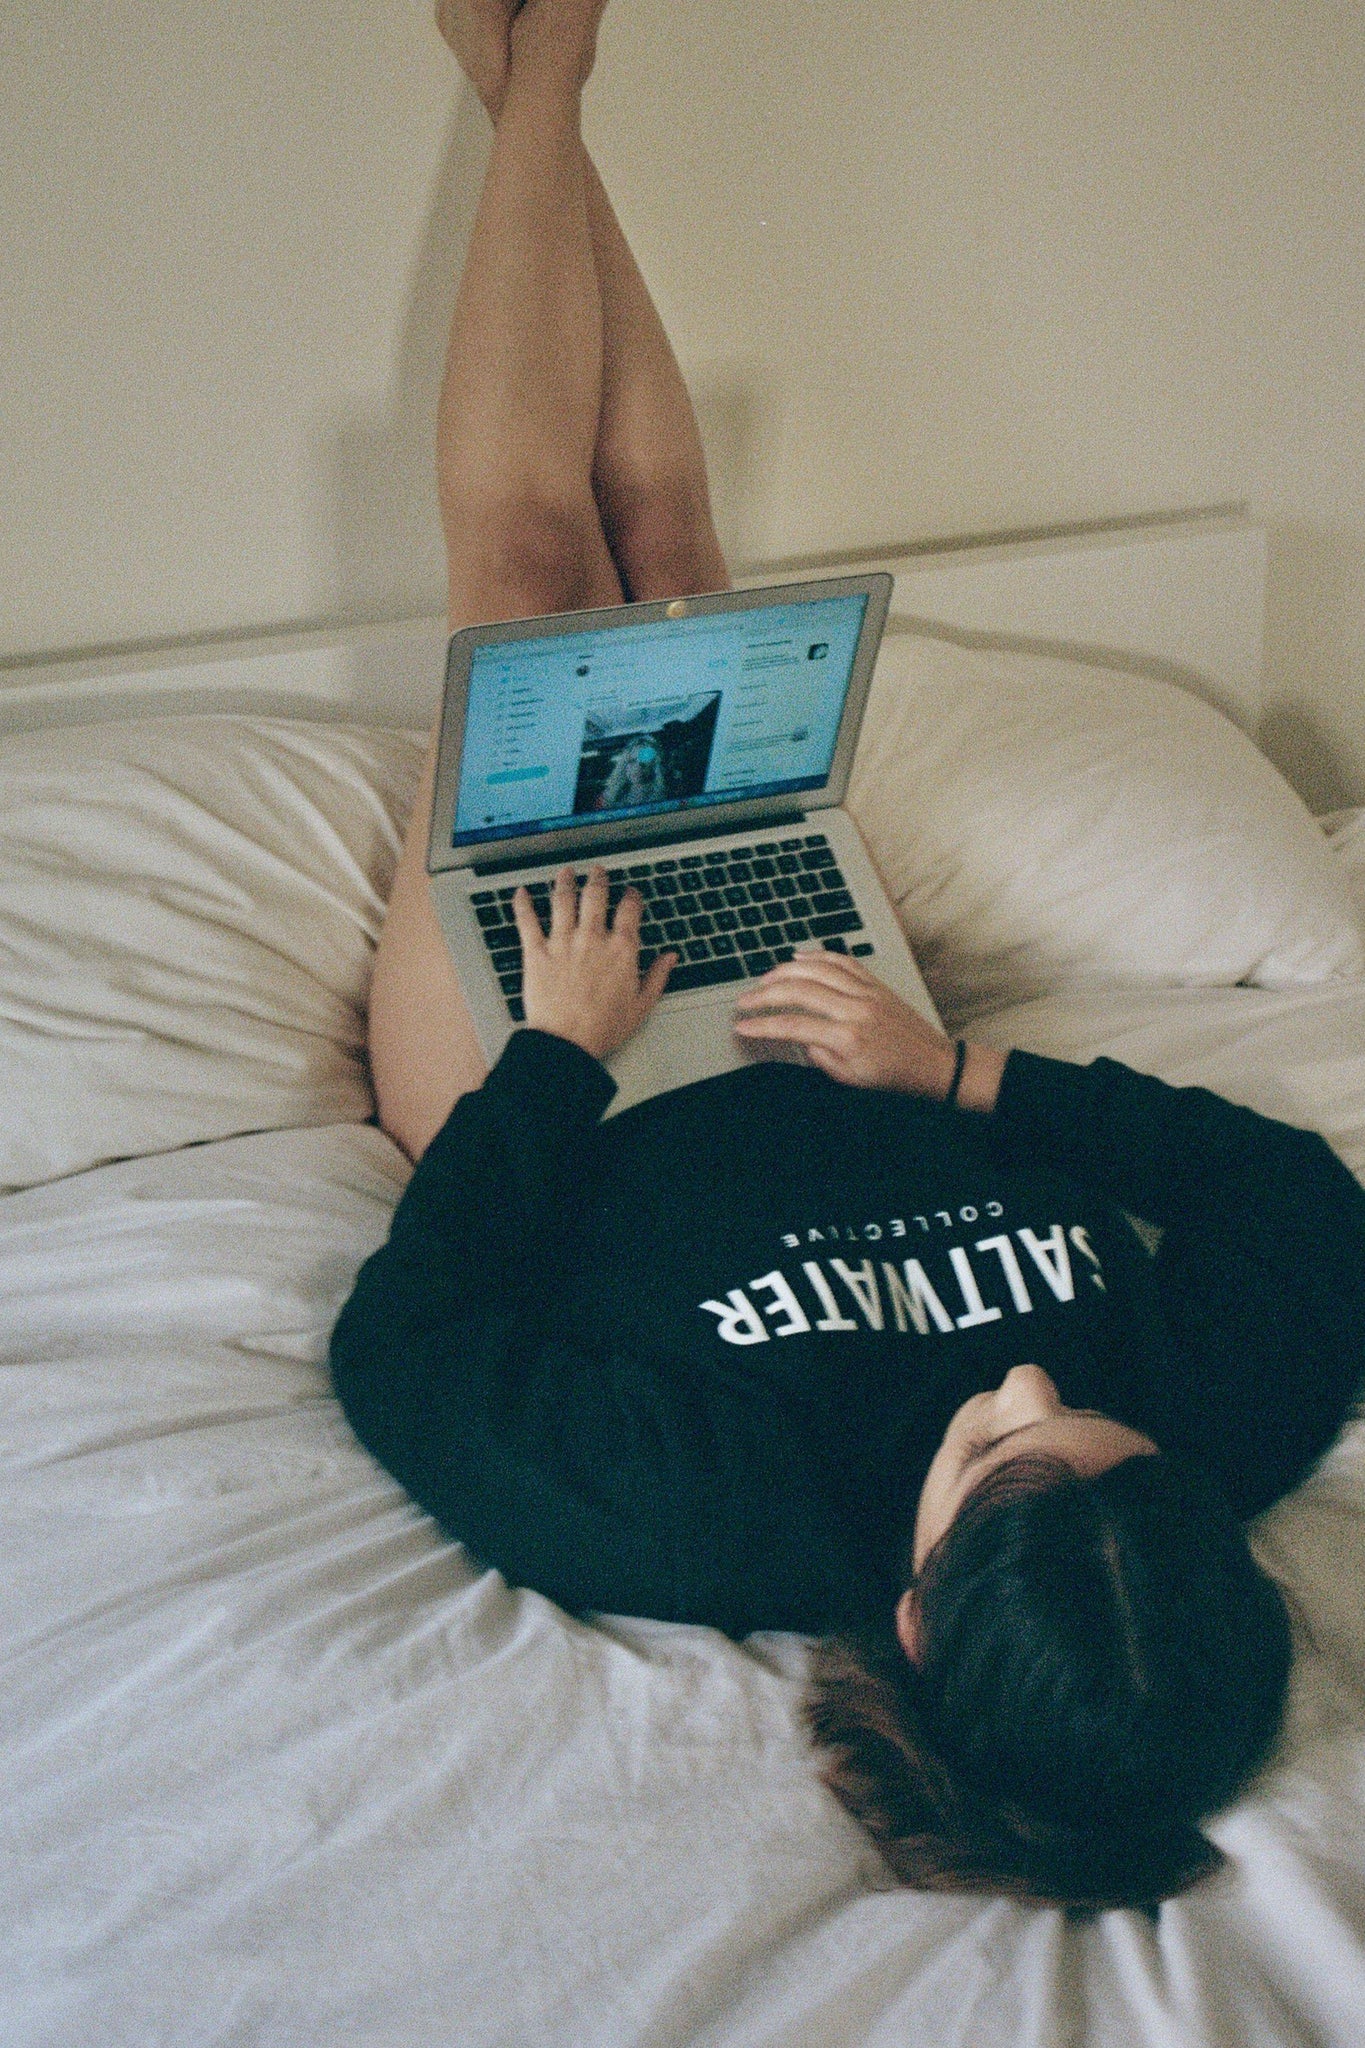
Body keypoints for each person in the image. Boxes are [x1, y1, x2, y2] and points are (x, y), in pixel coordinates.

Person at [332, 0, 1365, 1913]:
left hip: (555, 1062)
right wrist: (960, 1075)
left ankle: (536, 73)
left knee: (528, 582)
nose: (1038, 1386)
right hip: (846, 1016)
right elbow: (1289, 1191)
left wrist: (554, 1056)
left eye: (998, 1452)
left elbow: (412, 1349)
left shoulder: (711, 1520)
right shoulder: (1191, 1471)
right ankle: (536, 78)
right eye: (1099, 1427)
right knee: (675, 550)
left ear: (911, 1604)